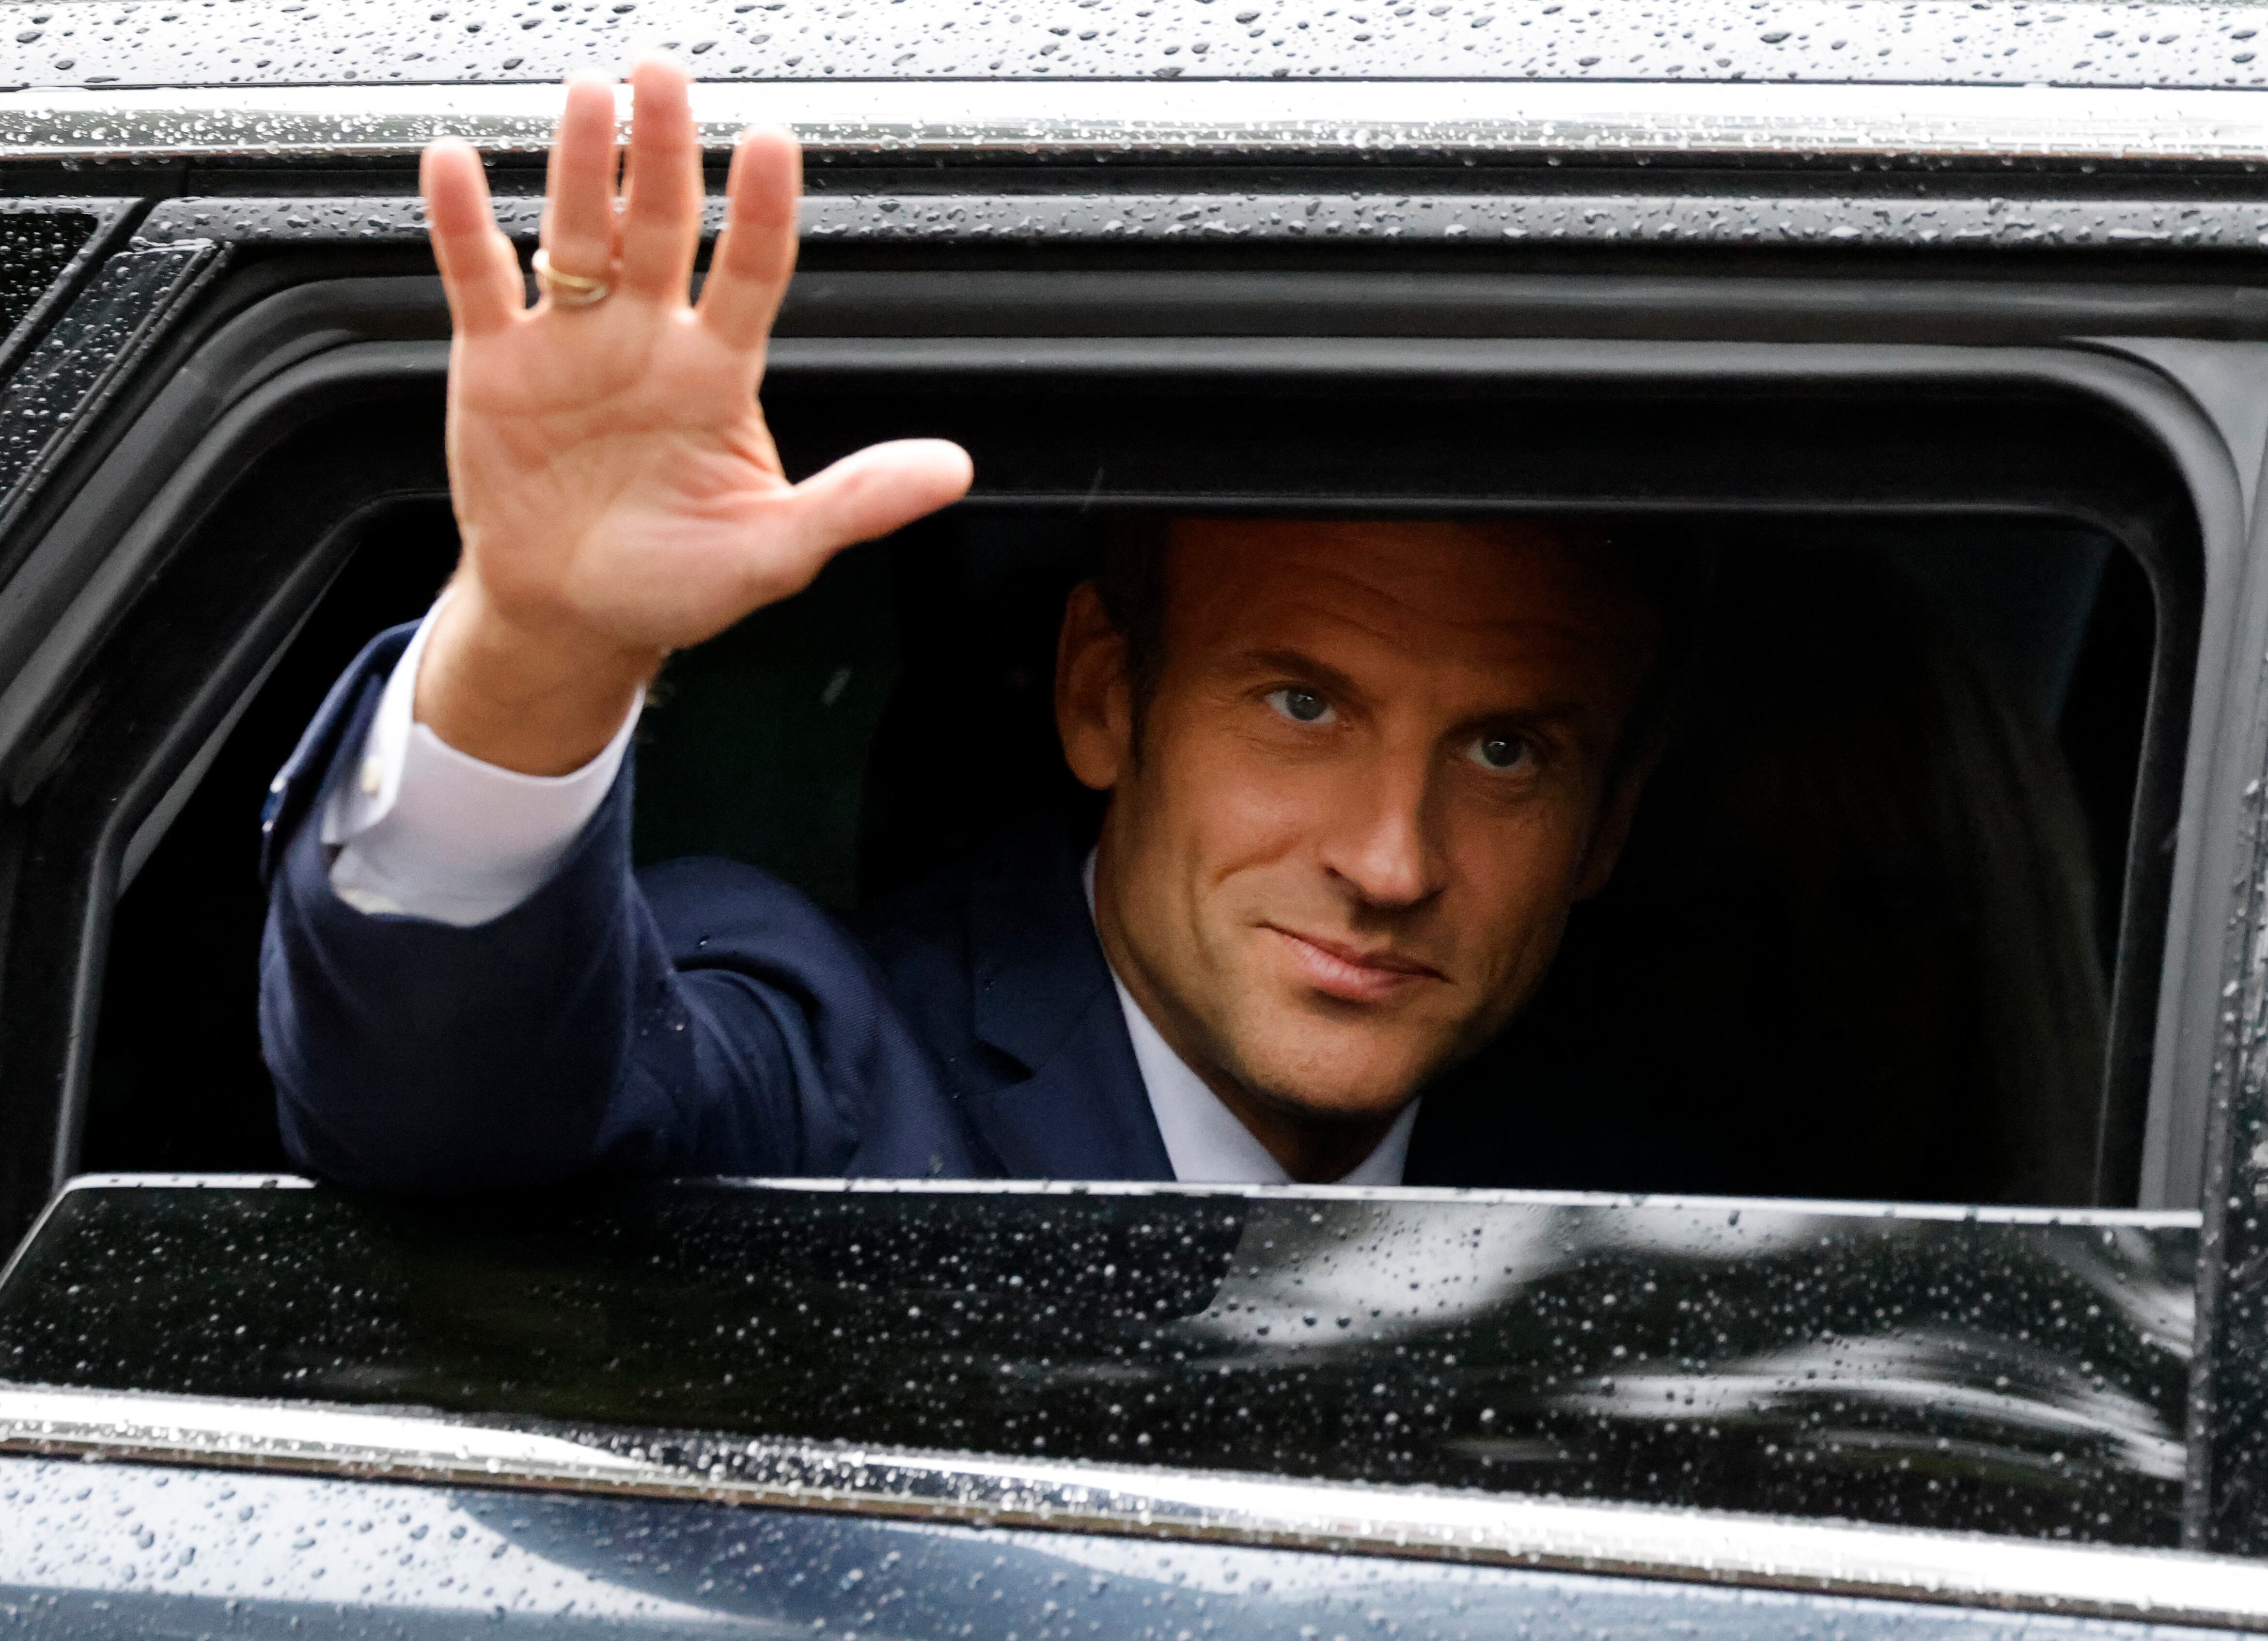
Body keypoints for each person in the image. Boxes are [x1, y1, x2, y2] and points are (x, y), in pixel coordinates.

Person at [257, 59, 1670, 1191]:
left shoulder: (1661, 1192)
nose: (1390, 859)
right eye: (1301, 706)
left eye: (1503, 752)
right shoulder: (831, 1070)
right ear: (1105, 697)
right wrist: (537, 653)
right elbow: (451, 1114)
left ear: (1609, 825)